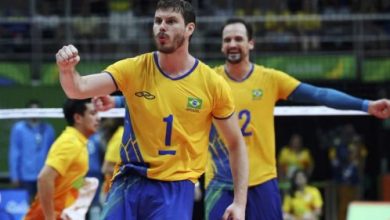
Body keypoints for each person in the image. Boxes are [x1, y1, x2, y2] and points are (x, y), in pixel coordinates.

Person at [96, 17, 390, 220]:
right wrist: (117, 99)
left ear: (251, 44)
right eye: (227, 40)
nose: (232, 44)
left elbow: (318, 95)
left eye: (238, 39)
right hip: (220, 183)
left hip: (263, 180)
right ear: (222, 47)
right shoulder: (206, 79)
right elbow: (159, 97)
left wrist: (366, 105)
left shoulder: (270, 79)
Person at [55, 0, 249, 219]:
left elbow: (236, 144)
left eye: (171, 21)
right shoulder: (134, 68)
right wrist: (67, 70)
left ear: (189, 28)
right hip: (128, 181)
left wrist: (239, 203)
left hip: (174, 187)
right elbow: (78, 89)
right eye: (158, 21)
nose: (161, 27)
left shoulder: (212, 84)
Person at [24, 98, 100, 220]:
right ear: (78, 118)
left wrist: (83, 185)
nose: (98, 118)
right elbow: (44, 178)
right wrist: (50, 218)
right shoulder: (69, 142)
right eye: (92, 113)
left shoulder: (80, 143)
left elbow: (67, 181)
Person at [8, 99, 55, 202]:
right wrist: (14, 175)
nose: (34, 114)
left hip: (44, 175)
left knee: (43, 204)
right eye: (32, 111)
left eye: (37, 111)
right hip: (25, 176)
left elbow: (53, 153)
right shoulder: (18, 129)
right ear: (26, 112)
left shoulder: (48, 129)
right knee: (26, 204)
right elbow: (14, 153)